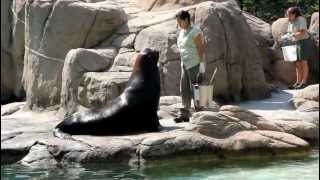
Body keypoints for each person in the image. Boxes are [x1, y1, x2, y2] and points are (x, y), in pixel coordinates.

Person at [174, 10, 206, 123]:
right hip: (185, 64)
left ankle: (200, 113)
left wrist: (202, 65)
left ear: (186, 20)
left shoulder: (196, 31)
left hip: (195, 64)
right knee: (184, 89)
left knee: (196, 88)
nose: (178, 24)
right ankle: (184, 114)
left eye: (179, 21)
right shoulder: (182, 32)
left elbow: (201, 48)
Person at [280, 7, 312, 89]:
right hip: (295, 42)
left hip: (304, 41)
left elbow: (302, 32)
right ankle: (297, 82)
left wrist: (291, 35)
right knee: (297, 63)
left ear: (294, 14)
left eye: (289, 15)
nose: (287, 16)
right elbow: (289, 32)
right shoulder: (290, 21)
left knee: (303, 62)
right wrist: (285, 37)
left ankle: (303, 82)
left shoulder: (301, 19)